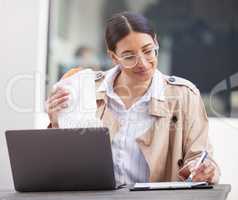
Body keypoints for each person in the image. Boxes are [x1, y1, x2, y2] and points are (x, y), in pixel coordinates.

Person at [46, 11, 220, 185]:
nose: (143, 63)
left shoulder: (184, 95)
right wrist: (56, 123)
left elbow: (199, 158)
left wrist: (206, 170)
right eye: (129, 56)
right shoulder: (84, 89)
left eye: (148, 51)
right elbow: (62, 162)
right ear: (114, 57)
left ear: (156, 43)